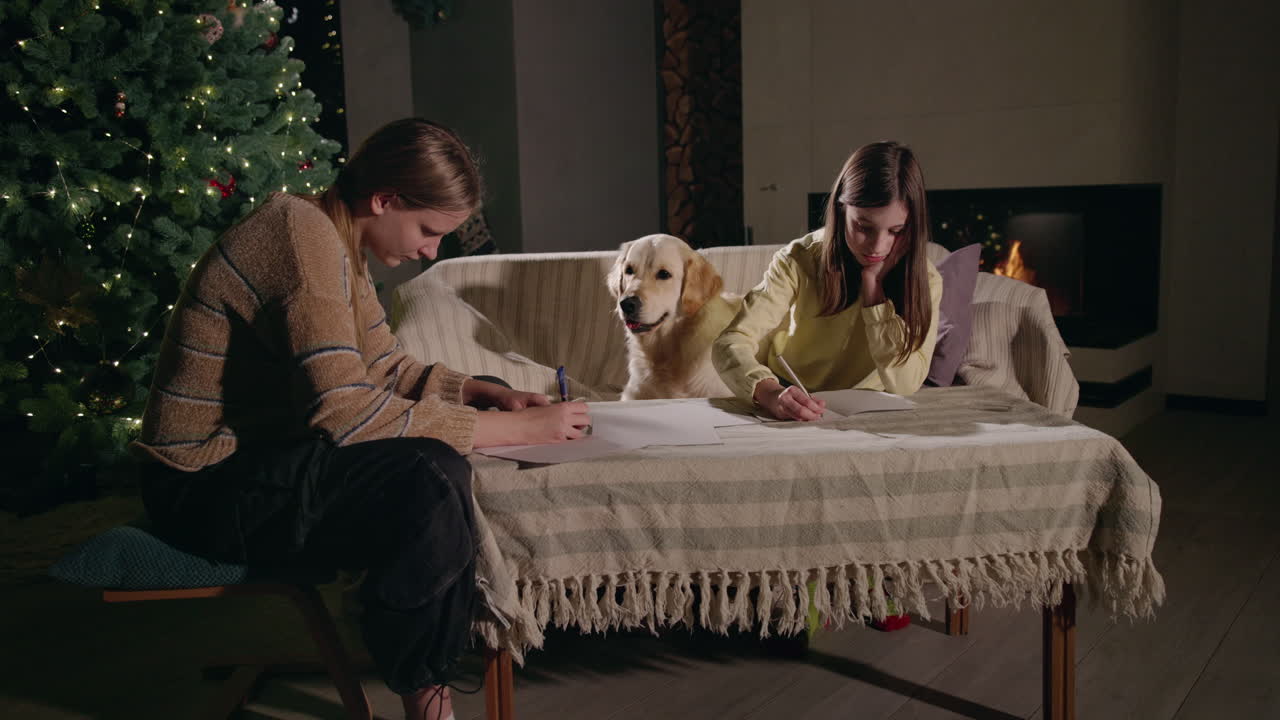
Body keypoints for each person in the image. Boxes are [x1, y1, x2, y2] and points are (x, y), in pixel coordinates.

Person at [132, 118, 589, 720]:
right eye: (428, 231)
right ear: (385, 199)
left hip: (261, 462)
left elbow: (382, 367)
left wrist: (477, 392)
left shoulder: (332, 237)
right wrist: (521, 431)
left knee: (446, 449)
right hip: (201, 486)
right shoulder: (300, 237)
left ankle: (423, 671)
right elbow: (344, 412)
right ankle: (428, 700)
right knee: (425, 477)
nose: (430, 251)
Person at [713, 141, 942, 422]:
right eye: (863, 227)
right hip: (790, 391)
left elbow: (905, 384)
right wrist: (768, 391)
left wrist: (874, 295)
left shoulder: (926, 279)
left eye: (896, 231)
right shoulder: (799, 259)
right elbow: (731, 341)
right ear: (841, 210)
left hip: (869, 408)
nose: (877, 247)